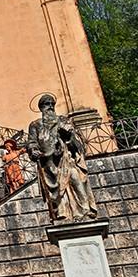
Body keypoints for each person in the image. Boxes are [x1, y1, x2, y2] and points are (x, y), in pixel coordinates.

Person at [27, 94, 97, 222]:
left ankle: (85, 210)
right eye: (46, 104)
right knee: (58, 188)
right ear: (41, 108)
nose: (50, 107)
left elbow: (77, 143)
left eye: (52, 104)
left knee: (76, 177)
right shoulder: (35, 125)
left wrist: (69, 136)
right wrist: (34, 151)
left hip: (66, 158)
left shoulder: (63, 120)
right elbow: (31, 143)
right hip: (49, 163)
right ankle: (63, 213)